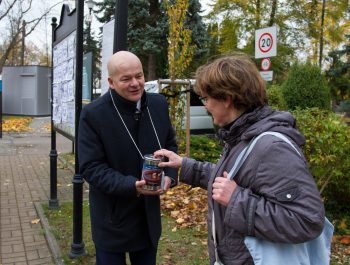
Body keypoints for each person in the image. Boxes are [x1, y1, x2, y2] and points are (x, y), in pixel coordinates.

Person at [154, 54, 325, 265]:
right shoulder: (243, 135)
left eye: (207, 98)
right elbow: (234, 177)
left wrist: (236, 200)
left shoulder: (271, 147)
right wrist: (185, 164)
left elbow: (307, 220)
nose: (205, 105)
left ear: (227, 99)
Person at [78, 51, 178, 265]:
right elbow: (90, 167)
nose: (135, 84)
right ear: (111, 82)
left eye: (139, 76)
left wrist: (170, 175)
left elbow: (170, 145)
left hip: (147, 219)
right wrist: (132, 185)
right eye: (126, 79)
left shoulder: (159, 104)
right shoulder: (93, 114)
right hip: (112, 218)